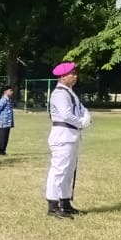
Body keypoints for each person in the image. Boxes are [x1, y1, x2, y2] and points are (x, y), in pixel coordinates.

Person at [45, 62, 90, 219]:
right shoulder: (60, 94)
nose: (75, 76)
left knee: (69, 171)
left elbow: (82, 109)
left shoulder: (70, 92)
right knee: (59, 170)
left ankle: (65, 202)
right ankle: (53, 205)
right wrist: (81, 123)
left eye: (75, 73)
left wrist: (86, 117)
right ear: (63, 77)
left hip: (71, 135)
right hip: (63, 135)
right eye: (72, 74)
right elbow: (66, 115)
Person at [0, 85, 15, 155]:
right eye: (10, 90)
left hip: (7, 122)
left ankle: (3, 151)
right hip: (3, 122)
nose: (12, 92)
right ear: (6, 91)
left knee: (5, 137)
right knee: (2, 137)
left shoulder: (8, 100)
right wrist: (0, 118)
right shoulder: (3, 100)